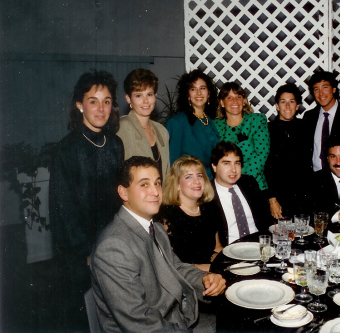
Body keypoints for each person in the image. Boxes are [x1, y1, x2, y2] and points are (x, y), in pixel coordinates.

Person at [90, 156, 226, 333]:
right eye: (144, 185)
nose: (155, 191)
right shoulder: (113, 246)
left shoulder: (156, 228)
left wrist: (204, 279)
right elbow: (139, 322)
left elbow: (175, 267)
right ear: (123, 192)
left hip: (176, 318)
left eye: (157, 183)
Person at [49, 69, 124, 329]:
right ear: (80, 105)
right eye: (93, 101)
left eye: (106, 101)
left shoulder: (115, 144)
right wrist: (87, 253)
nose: (101, 108)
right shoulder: (66, 150)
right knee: (87, 319)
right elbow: (64, 210)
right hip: (80, 254)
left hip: (113, 245)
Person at [155, 155, 223, 272]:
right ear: (177, 185)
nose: (197, 181)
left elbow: (217, 248)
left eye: (200, 175)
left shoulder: (210, 208)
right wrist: (214, 268)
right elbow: (170, 266)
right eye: (188, 177)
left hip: (213, 273)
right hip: (187, 280)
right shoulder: (166, 216)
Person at [210, 141, 271, 245]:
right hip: (230, 251)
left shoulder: (249, 183)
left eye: (237, 163)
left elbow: (266, 219)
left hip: (260, 246)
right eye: (226, 163)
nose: (233, 170)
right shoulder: (207, 195)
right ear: (214, 166)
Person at [166, 69, 220, 179]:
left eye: (202, 88)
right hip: (190, 184)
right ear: (187, 95)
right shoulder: (177, 122)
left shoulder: (209, 121)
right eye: (193, 89)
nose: (199, 93)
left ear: (208, 93)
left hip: (211, 184)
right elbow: (172, 164)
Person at [117, 68, 170, 180]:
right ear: (128, 99)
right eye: (138, 96)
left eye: (149, 94)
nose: (145, 101)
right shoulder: (122, 127)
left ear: (155, 96)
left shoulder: (161, 131)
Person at [265, 83, 307, 219]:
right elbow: (266, 168)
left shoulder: (306, 128)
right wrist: (272, 199)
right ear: (277, 106)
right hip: (277, 198)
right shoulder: (267, 130)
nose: (287, 106)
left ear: (297, 106)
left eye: (292, 102)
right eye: (283, 102)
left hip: (303, 197)